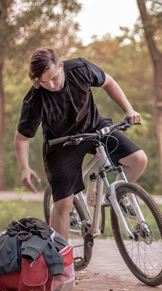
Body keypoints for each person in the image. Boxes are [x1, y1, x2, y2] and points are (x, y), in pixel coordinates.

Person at [14, 47, 147, 240]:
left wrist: (128, 109)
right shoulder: (35, 99)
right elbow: (22, 138)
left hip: (94, 128)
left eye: (54, 78)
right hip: (61, 145)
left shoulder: (80, 69)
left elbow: (108, 81)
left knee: (138, 160)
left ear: (61, 66)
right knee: (63, 204)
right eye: (44, 82)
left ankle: (112, 195)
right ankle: (61, 264)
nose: (51, 85)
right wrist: (24, 168)